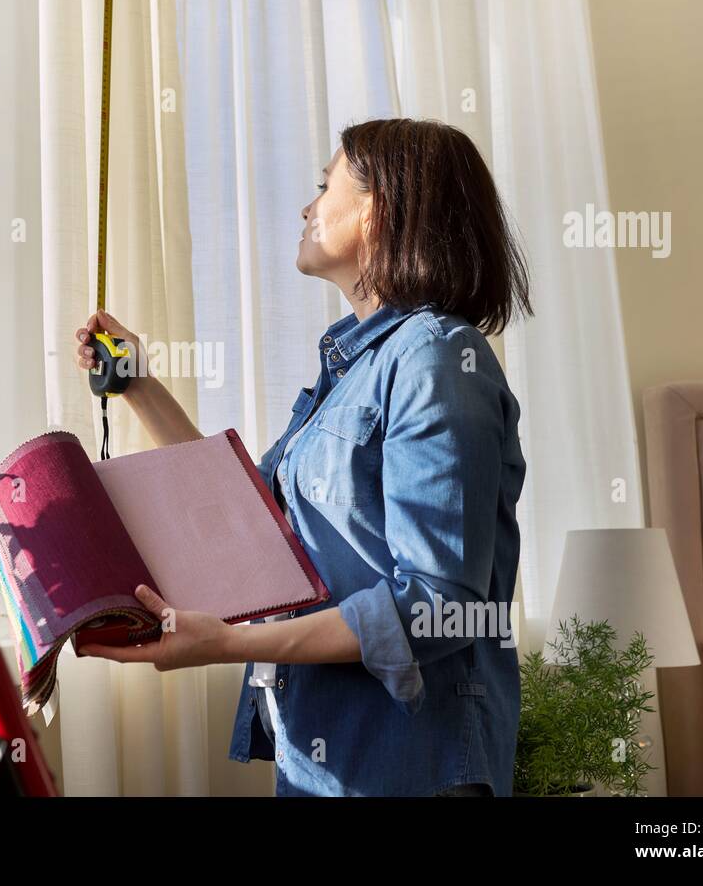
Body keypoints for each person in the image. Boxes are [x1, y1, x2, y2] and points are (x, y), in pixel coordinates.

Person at [73, 117, 531, 797]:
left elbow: (438, 604)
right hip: (323, 757)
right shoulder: (351, 372)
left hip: (411, 768)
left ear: (387, 207)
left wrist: (228, 644)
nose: (307, 206)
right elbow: (244, 524)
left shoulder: (437, 360)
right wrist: (139, 383)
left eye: (325, 185)